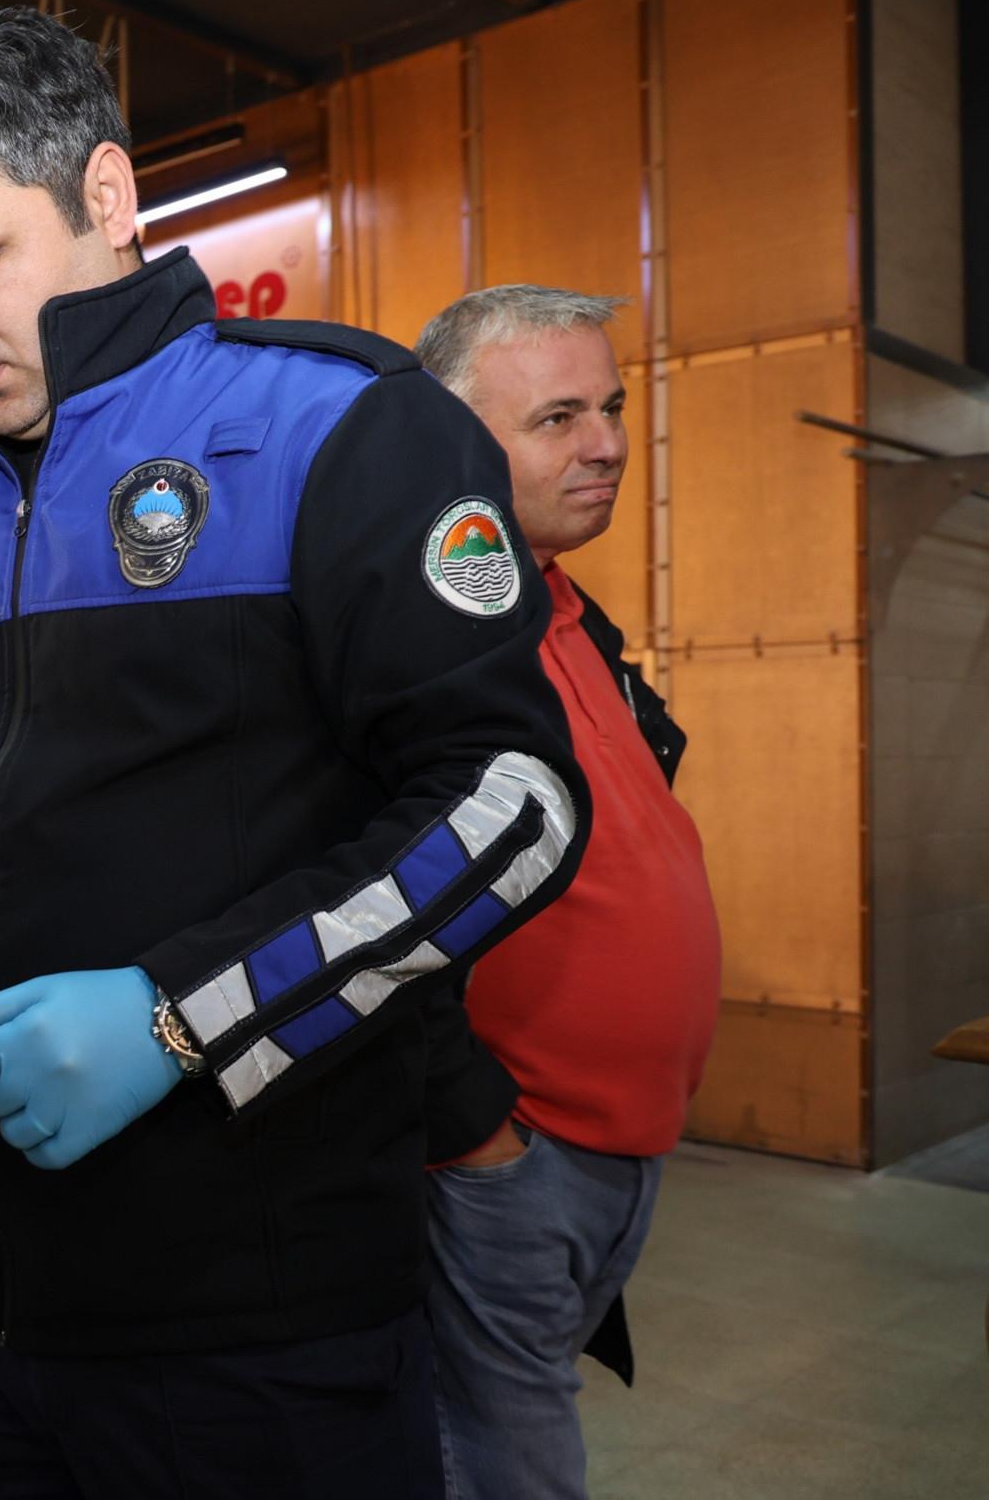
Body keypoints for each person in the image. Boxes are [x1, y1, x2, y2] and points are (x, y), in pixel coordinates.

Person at [0, 6, 589, 1499]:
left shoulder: (342, 430)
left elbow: (513, 804)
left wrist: (177, 1019)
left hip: (255, 1319)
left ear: (105, 196)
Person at [413, 286, 720, 1500]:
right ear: (451, 444)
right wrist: (475, 1130)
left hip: (618, 1145)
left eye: (612, 407)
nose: (606, 444)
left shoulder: (573, 614)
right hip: (508, 1153)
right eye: (557, 418)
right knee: (503, 1461)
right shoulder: (423, 633)